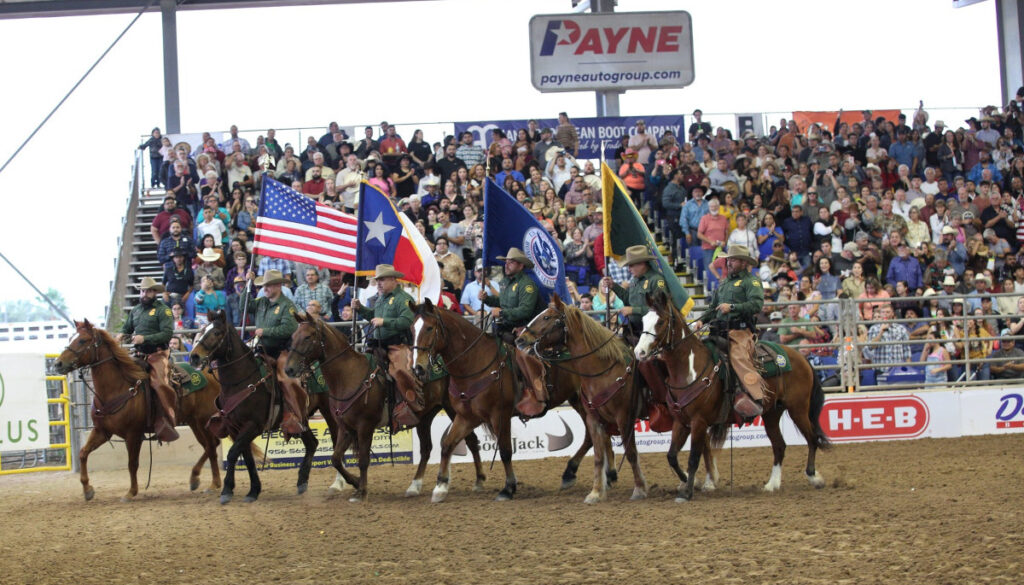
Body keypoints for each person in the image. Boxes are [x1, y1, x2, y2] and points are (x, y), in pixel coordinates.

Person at [690, 245, 766, 418]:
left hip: (740, 332)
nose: (728, 263)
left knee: (738, 357)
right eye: (728, 259)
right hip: (718, 332)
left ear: (743, 262)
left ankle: (755, 397)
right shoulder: (724, 283)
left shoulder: (751, 282)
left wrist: (732, 307)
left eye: (733, 259)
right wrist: (702, 320)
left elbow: (756, 305)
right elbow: (712, 308)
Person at [116, 277, 179, 442]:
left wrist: (145, 339)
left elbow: (167, 334)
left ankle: (166, 421)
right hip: (139, 354)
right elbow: (127, 328)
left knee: (160, 383)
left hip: (158, 354)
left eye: (148, 291)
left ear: (154, 292)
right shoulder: (135, 310)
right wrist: (120, 336)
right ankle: (131, 419)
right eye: (143, 290)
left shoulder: (163, 310)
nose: (145, 293)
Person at [248, 269, 307, 437]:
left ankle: (295, 416)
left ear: (278, 286)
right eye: (263, 286)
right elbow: (244, 305)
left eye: (268, 286)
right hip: (261, 348)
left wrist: (265, 331)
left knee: (287, 380)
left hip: (281, 350)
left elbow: (289, 328)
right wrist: (248, 286)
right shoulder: (261, 302)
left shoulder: (287, 305)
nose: (265, 288)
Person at [480, 247, 542, 341]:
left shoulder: (526, 284)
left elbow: (525, 310)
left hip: (522, 329)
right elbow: (502, 301)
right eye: (506, 262)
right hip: (505, 326)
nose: (506, 265)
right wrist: (486, 299)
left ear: (521, 266)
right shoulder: (505, 282)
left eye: (511, 262)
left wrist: (501, 313)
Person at [353, 264, 415, 349]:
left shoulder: (404, 299)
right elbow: (374, 316)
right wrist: (360, 308)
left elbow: (406, 321)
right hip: (379, 346)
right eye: (377, 280)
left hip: (399, 346)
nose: (378, 284)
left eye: (382, 280)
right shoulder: (381, 298)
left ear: (393, 279)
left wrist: (384, 322)